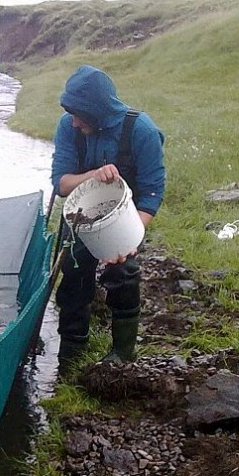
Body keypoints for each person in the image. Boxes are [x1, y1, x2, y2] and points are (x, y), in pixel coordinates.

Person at [51, 64, 165, 367]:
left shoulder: (142, 131)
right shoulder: (68, 127)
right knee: (74, 274)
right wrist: (92, 175)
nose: (74, 123)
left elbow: (152, 192)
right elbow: (61, 184)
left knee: (123, 273)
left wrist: (131, 238)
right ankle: (72, 348)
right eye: (71, 114)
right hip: (78, 214)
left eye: (80, 115)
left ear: (98, 111)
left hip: (126, 216)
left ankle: (123, 352)